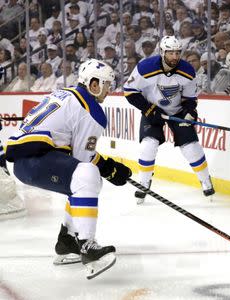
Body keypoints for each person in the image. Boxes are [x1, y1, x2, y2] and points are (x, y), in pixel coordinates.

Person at [4, 59, 132, 279]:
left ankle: (66, 242)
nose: (109, 90)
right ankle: (88, 247)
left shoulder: (66, 94)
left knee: (86, 181)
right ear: (94, 84)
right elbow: (83, 159)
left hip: (27, 161)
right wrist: (110, 169)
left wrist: (107, 168)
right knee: (88, 176)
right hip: (36, 160)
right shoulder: (91, 109)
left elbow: (77, 158)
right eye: (107, 84)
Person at [124, 36, 215, 204]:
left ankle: (205, 180)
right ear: (162, 52)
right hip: (152, 110)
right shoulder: (145, 67)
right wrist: (150, 109)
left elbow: (190, 98)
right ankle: (144, 182)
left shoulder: (187, 70)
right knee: (148, 146)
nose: (174, 56)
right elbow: (129, 91)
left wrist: (189, 112)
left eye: (177, 53)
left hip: (177, 111)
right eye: (170, 53)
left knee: (191, 147)